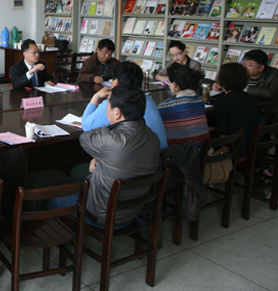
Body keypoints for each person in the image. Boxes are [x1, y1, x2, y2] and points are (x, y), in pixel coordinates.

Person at [47, 85, 160, 228]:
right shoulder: (153, 137)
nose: (106, 110)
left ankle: (52, 233)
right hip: (132, 212)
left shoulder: (111, 140)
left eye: (107, 106)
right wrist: (99, 157)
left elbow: (85, 136)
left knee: (54, 201)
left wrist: (112, 126)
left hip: (102, 216)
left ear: (117, 113)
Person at [82, 61, 168, 149]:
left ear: (116, 82)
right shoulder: (147, 99)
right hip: (161, 154)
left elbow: (86, 126)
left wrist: (96, 97)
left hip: (138, 155)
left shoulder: (116, 102)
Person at [212, 63, 261, 160]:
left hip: (233, 153)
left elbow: (222, 132)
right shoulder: (250, 98)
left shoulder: (222, 102)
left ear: (221, 80)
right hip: (251, 150)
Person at [157, 63, 209, 149]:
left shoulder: (166, 106)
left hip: (182, 154)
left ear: (175, 85)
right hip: (202, 151)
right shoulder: (199, 100)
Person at [240, 50, 278, 121]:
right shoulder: (240, 72)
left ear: (261, 68)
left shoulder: (274, 75)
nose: (244, 67)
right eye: (244, 64)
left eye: (249, 65)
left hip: (263, 112)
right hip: (242, 108)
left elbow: (269, 93)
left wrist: (246, 88)